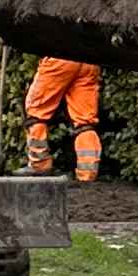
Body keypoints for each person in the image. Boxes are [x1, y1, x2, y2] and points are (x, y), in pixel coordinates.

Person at [24, 54, 102, 184]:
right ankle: (87, 174)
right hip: (89, 62)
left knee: (36, 112)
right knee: (84, 122)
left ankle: (39, 165)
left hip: (60, 58)